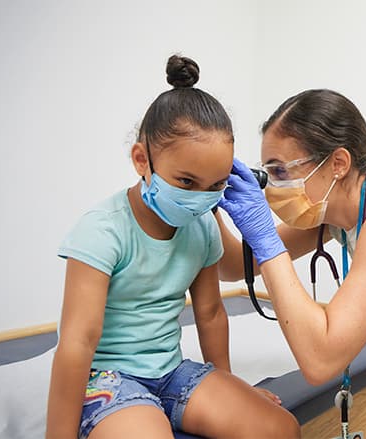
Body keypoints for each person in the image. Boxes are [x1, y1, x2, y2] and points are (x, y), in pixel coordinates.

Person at [45, 55, 300, 439]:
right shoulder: (102, 231)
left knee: (280, 429)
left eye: (216, 185)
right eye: (186, 181)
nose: (201, 198)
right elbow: (78, 341)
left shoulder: (200, 227)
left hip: (172, 374)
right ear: (141, 160)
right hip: (108, 378)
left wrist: (228, 385)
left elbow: (211, 313)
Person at [216, 88, 366, 438]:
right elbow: (236, 266)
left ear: (338, 164)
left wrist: (266, 238)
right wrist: (206, 197)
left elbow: (320, 361)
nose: (272, 188)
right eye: (267, 173)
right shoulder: (339, 212)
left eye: (281, 171)